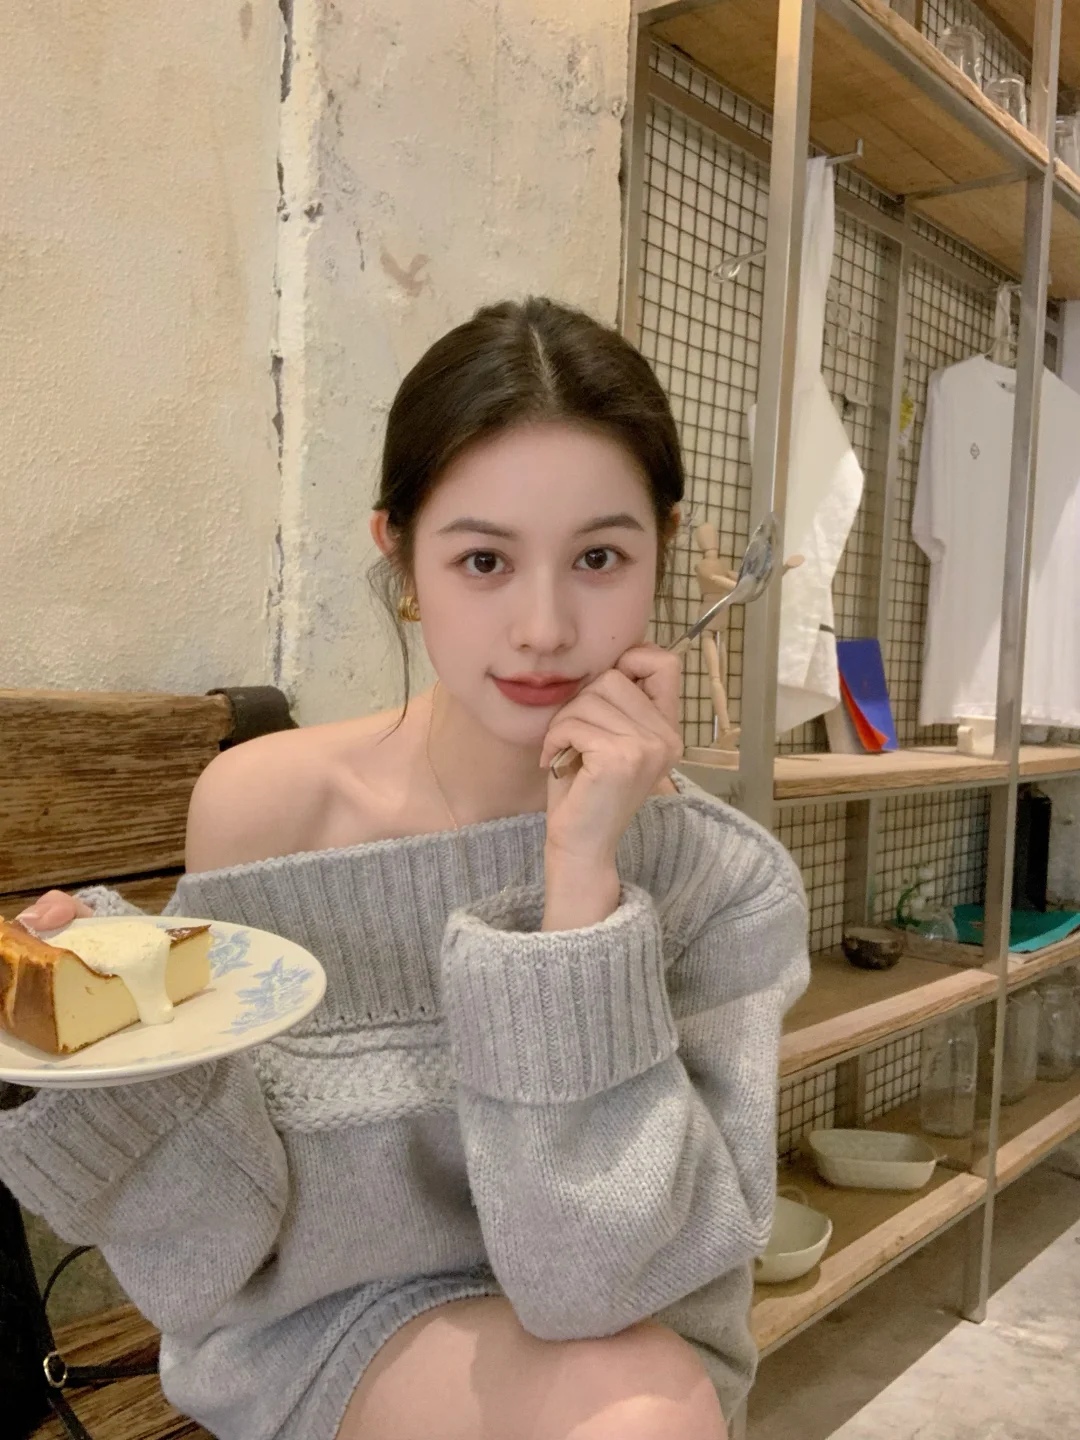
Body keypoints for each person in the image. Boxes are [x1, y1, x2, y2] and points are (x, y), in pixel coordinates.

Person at [2, 298, 809, 1440]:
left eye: (599, 558)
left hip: (633, 1336)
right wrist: (83, 1023)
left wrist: (582, 884)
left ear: (662, 553)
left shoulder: (721, 884)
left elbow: (601, 1285)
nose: (543, 626)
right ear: (403, 557)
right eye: (484, 560)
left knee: (638, 1404)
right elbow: (207, 1252)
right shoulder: (271, 809)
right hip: (319, 1328)